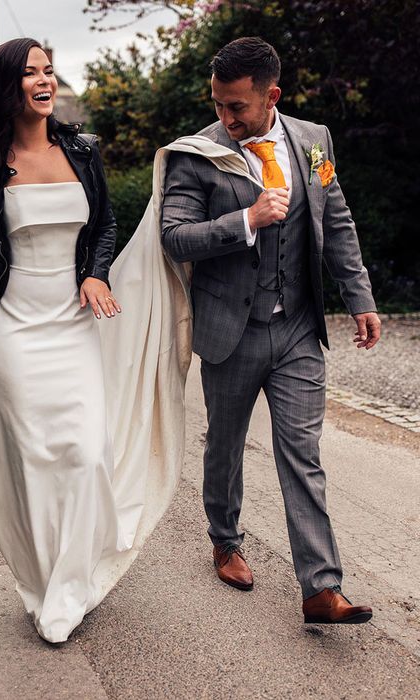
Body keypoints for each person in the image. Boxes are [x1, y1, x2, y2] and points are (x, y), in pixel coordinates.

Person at [0, 38, 189, 643]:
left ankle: (72, 582)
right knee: (33, 459)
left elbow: (104, 222)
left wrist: (94, 272)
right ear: (8, 86)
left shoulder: (81, 149)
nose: (44, 80)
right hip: (12, 324)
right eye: (31, 72)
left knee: (84, 453)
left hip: (72, 322)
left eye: (49, 70)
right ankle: (41, 580)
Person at [161, 36, 380, 624]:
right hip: (231, 328)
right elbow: (174, 235)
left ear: (271, 96)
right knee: (225, 445)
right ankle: (225, 537)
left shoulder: (314, 142)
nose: (225, 118)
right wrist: (245, 220)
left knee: (301, 453)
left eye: (237, 107)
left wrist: (359, 298)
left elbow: (336, 220)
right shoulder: (195, 154)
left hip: (299, 330)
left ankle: (320, 587)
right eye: (218, 105)